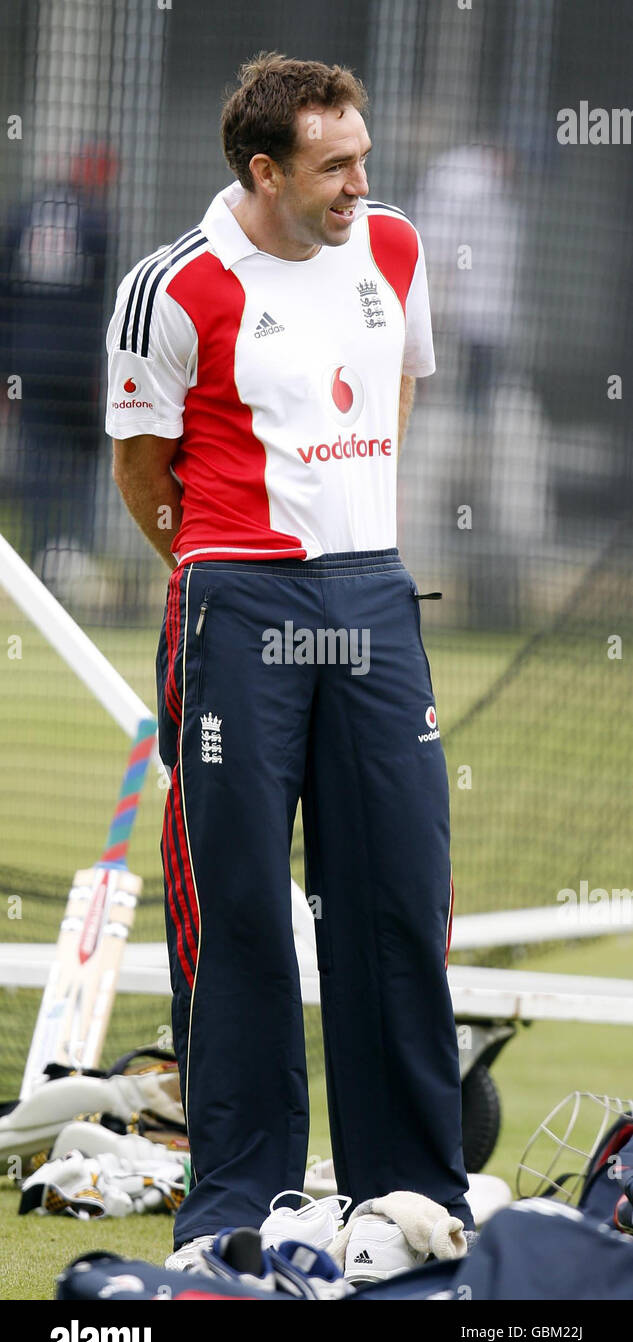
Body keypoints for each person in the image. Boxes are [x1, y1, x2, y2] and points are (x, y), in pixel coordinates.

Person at [106, 52, 474, 1267]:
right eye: (335, 165)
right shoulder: (174, 286)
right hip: (234, 604)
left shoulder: (398, 248)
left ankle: (414, 1192)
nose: (361, 182)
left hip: (373, 597)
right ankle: (239, 1203)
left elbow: (399, 392)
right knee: (246, 905)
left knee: (399, 895)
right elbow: (142, 473)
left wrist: (349, 523)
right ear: (264, 171)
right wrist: (224, 561)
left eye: (363, 156)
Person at [2, 144, 117, 572]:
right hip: (75, 365)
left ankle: (39, 553)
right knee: (79, 455)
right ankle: (67, 549)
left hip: (28, 362)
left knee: (37, 455)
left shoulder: (25, 212)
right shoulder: (96, 221)